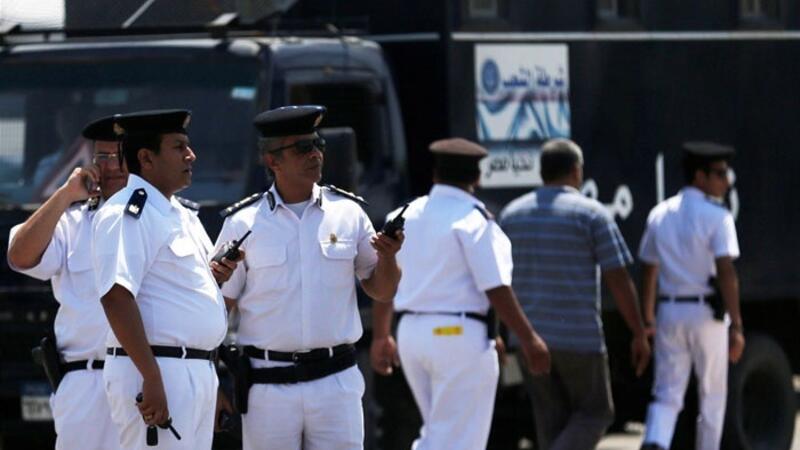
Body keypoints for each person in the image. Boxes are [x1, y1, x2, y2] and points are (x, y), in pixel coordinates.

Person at [215, 104, 402, 450]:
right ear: (272, 160)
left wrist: (389, 257)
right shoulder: (243, 223)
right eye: (302, 147)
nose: (315, 154)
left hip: (336, 382)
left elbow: (382, 289)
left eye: (318, 144)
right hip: (268, 386)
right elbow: (217, 307)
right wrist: (213, 381)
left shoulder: (349, 213)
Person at [370, 137, 551, 450]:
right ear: (477, 177)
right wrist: (528, 338)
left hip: (411, 334)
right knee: (459, 440)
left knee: (438, 433)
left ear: (435, 174)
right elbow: (495, 286)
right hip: (457, 336)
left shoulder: (402, 215)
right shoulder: (473, 219)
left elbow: (386, 281)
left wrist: (381, 335)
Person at [91, 109, 238, 450]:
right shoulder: (127, 212)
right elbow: (116, 297)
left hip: (194, 369)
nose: (191, 155)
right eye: (178, 147)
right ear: (146, 158)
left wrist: (217, 277)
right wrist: (152, 377)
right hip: (158, 369)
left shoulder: (182, 214)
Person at [498, 138, 651, 450]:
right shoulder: (591, 214)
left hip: (527, 338)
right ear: (576, 171)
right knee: (597, 413)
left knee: (551, 421)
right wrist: (638, 332)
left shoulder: (512, 215)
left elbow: (497, 280)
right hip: (579, 339)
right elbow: (618, 279)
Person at [7, 115, 126, 450]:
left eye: (121, 156)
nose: (112, 166)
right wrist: (65, 195)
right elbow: (20, 256)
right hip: (87, 382)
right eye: (102, 157)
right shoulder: (73, 222)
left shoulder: (170, 219)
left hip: (148, 379)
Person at [638, 142, 744, 450]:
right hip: (706, 315)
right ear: (700, 176)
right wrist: (737, 325)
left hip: (669, 312)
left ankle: (655, 441)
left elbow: (648, 270)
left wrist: (648, 319)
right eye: (720, 174)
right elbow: (726, 271)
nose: (726, 181)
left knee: (666, 394)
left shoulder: (660, 214)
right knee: (712, 395)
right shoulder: (718, 216)